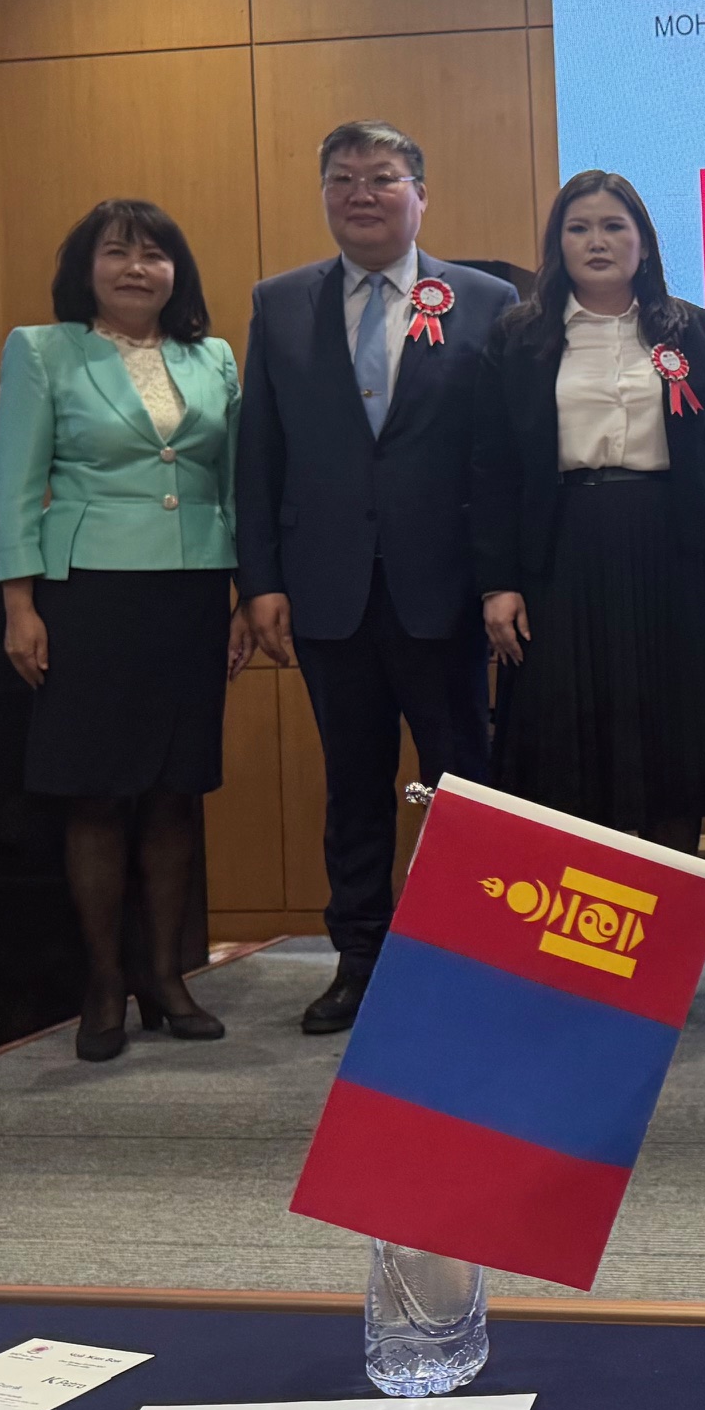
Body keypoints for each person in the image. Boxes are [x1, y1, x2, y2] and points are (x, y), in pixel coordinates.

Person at [234, 121, 517, 1035]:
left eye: (383, 177)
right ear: (324, 194)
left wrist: (500, 576)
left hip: (446, 590)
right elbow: (259, 453)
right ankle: (359, 962)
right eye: (343, 178)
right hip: (328, 591)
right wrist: (260, 580)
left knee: (462, 786)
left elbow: (499, 456)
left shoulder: (485, 299)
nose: (361, 193)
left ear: (420, 196)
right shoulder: (280, 304)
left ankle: (467, 964)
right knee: (352, 787)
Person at [0, 200, 250, 1062]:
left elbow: (235, 482)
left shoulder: (212, 357)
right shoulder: (43, 350)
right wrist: (19, 605)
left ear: (178, 271)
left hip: (193, 590)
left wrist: (247, 592)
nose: (137, 269)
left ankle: (167, 977)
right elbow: (16, 483)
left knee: (176, 790)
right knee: (96, 792)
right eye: (117, 253)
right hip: (89, 593)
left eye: (154, 255)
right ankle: (104, 982)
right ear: (87, 268)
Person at [473, 171, 705, 848]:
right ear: (558, 243)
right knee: (568, 752)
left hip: (675, 553)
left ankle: (671, 910)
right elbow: (491, 468)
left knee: (675, 743)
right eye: (578, 228)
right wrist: (497, 583)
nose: (596, 242)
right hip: (562, 553)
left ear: (644, 242)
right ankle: (588, 913)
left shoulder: (692, 329)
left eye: (613, 227)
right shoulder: (519, 337)